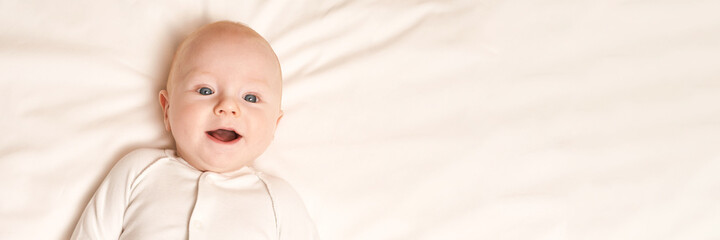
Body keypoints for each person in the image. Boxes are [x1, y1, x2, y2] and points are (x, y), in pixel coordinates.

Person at [71, 21, 319, 239]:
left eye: (251, 98)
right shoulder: (138, 171)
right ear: (167, 110)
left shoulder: (279, 200)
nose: (227, 107)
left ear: (274, 125)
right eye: (205, 91)